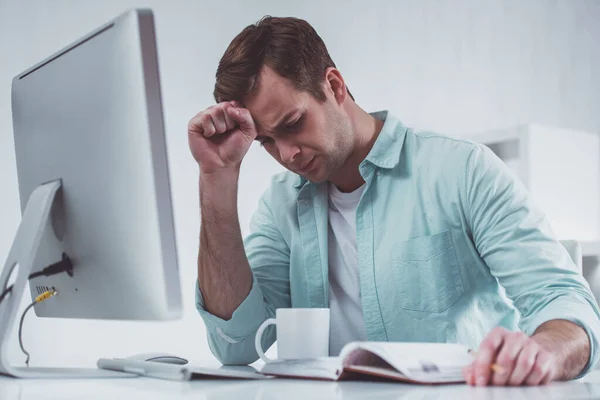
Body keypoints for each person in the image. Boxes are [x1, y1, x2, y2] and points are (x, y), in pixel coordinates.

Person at [188, 16, 600, 386]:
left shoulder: (461, 170)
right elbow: (237, 346)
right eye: (267, 142)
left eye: (293, 124)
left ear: (334, 86)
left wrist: (542, 351)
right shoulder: (280, 206)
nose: (287, 155)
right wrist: (217, 178)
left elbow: (564, 302)